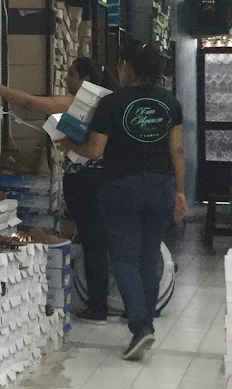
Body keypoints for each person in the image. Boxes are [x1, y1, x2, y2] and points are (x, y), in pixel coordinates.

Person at [62, 41, 186, 362]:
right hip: (161, 185)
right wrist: (180, 192)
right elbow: (176, 150)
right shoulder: (170, 103)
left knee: (125, 259)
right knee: (148, 255)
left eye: (120, 63)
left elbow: (95, 151)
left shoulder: (111, 103)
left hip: (121, 187)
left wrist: (68, 145)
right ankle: (147, 321)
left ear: (127, 66)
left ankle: (141, 327)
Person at [0, 58, 112, 322]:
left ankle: (98, 306)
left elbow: (31, 102)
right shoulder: (108, 102)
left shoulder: (78, 102)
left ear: (84, 79)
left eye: (71, 74)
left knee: (93, 243)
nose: (66, 79)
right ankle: (98, 300)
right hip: (104, 181)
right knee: (97, 242)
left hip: (84, 181)